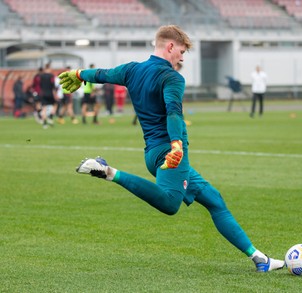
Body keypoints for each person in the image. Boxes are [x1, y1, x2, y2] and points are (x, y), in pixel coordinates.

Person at [58, 25, 285, 272]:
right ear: (170, 47)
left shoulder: (132, 70)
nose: (182, 57)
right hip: (170, 153)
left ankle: (259, 259)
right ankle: (109, 172)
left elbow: (103, 74)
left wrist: (80, 74)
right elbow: (173, 111)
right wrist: (176, 145)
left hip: (153, 153)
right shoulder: (172, 77)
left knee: (215, 200)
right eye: (182, 51)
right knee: (169, 203)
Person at [40, 62, 58, 129]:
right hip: (50, 93)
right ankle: (50, 117)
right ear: (49, 68)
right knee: (56, 104)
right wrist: (55, 95)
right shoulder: (51, 76)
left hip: (43, 93)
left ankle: (44, 124)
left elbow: (40, 85)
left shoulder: (41, 76)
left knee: (44, 109)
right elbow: (53, 86)